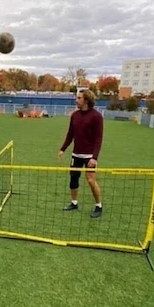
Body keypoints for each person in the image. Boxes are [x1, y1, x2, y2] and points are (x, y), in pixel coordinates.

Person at [57, 89, 104, 218]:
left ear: (86, 100)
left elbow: (98, 138)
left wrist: (94, 157)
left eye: (79, 98)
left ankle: (98, 205)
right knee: (73, 179)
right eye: (76, 97)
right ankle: (74, 202)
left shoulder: (96, 116)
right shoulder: (75, 115)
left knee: (90, 180)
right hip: (76, 155)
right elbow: (70, 134)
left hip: (89, 156)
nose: (76, 100)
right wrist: (63, 149)